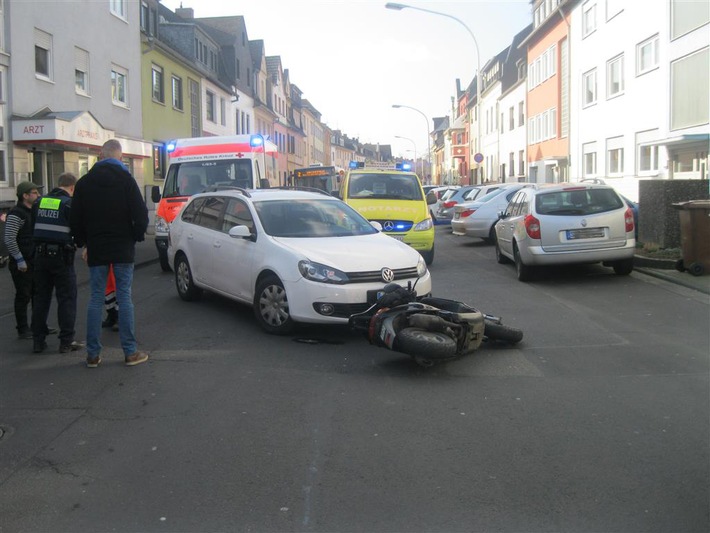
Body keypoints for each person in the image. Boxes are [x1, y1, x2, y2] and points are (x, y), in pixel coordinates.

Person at [70, 139, 149, 368]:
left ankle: (93, 355)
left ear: (100, 156)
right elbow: (141, 214)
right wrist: (135, 236)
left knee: (95, 298)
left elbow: (75, 219)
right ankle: (130, 352)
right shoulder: (126, 180)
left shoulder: (84, 183)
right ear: (120, 157)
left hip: (97, 247)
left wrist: (84, 242)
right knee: (124, 297)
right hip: (123, 247)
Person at [30, 173, 85, 354]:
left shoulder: (40, 202)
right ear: (72, 187)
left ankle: (38, 341)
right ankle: (66, 342)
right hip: (62, 257)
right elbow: (77, 231)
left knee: (41, 299)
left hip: (40, 256)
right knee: (66, 299)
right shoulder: (69, 204)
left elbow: (33, 228)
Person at [3, 181, 57, 339]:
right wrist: (19, 259)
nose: (38, 195)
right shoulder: (16, 213)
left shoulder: (34, 211)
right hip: (22, 263)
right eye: (34, 193)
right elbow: (9, 239)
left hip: (35, 260)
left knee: (38, 294)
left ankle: (39, 325)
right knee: (23, 295)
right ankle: (23, 329)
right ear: (25, 196)